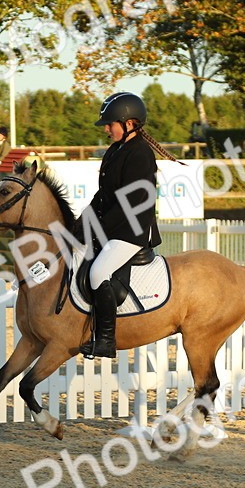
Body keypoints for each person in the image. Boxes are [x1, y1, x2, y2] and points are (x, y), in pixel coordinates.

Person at [74, 91, 167, 359]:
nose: (106, 128)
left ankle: (105, 339)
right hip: (115, 226)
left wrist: (97, 228)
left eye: (110, 124)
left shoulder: (140, 154)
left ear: (129, 124)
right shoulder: (115, 151)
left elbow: (132, 202)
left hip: (132, 231)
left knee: (97, 272)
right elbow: (103, 196)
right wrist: (82, 222)